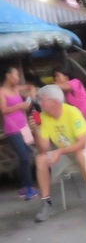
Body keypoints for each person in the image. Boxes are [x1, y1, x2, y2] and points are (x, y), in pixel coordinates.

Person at [29, 84, 86, 223]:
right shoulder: (43, 117)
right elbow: (43, 148)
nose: (40, 103)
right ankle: (46, 204)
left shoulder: (72, 112)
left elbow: (82, 143)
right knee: (40, 159)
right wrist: (36, 130)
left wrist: (59, 151)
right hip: (66, 153)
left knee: (80, 153)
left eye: (42, 99)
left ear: (54, 101)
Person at [0, 64, 38, 199]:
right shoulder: (1, 91)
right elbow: (4, 110)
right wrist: (19, 106)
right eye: (15, 74)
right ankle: (27, 188)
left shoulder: (16, 89)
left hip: (23, 127)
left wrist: (32, 91)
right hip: (12, 129)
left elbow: (29, 87)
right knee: (23, 156)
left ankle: (25, 187)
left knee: (27, 156)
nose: (17, 77)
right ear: (8, 76)